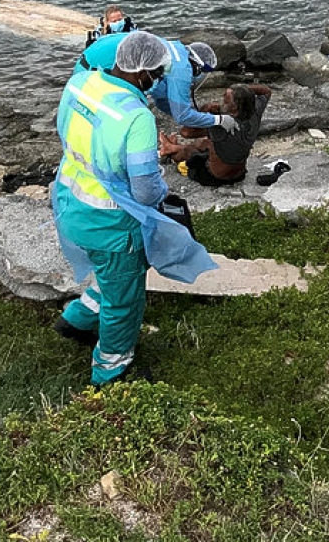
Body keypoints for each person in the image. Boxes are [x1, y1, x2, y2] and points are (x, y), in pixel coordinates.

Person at [51, 31, 216, 386]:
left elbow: (63, 131)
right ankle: (111, 369)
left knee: (107, 277)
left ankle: (77, 319)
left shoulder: (81, 82)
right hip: (110, 223)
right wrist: (163, 193)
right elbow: (143, 190)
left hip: (68, 199)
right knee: (124, 299)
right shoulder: (137, 118)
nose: (157, 81)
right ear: (143, 74)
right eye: (156, 74)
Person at [77, 34, 238, 133]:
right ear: (197, 65)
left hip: (87, 61)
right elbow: (182, 116)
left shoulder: (176, 48)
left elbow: (162, 101)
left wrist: (194, 115)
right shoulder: (182, 69)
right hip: (95, 68)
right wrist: (219, 120)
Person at [157, 83, 272, 186]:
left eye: (225, 100)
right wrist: (243, 90)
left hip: (215, 176)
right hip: (239, 173)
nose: (222, 101)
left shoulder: (223, 124)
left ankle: (171, 151)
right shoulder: (255, 110)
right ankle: (172, 147)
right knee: (205, 143)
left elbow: (186, 132)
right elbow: (266, 90)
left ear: (234, 106)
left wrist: (205, 110)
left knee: (192, 153)